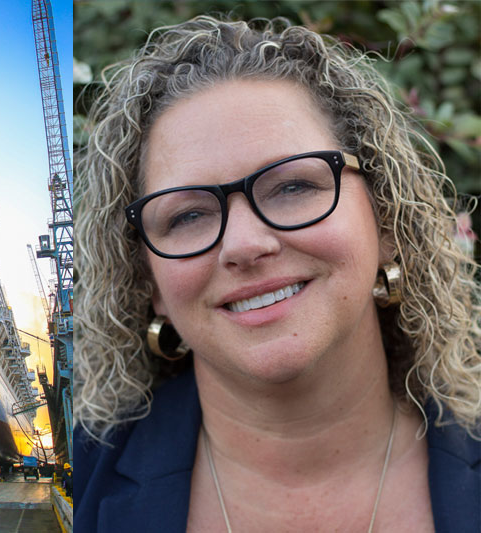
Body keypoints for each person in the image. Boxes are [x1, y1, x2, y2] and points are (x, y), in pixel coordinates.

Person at [75, 15, 481, 533]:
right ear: (148, 280)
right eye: (188, 216)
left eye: (292, 187)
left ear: (388, 220)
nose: (245, 245)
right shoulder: (82, 478)